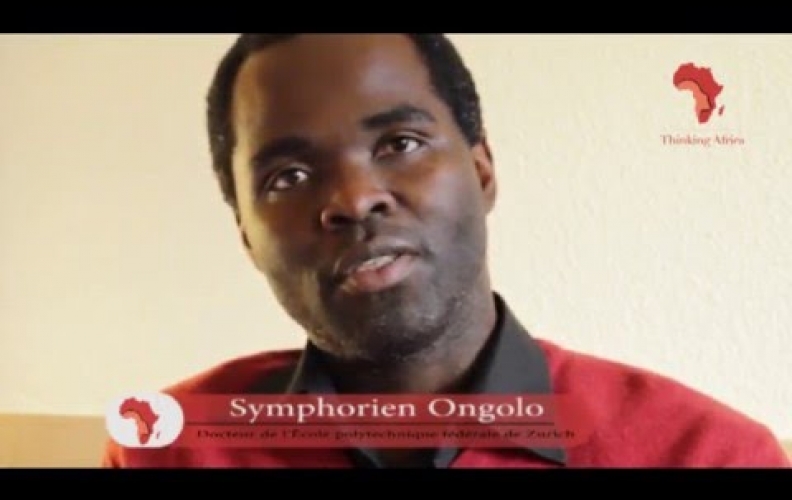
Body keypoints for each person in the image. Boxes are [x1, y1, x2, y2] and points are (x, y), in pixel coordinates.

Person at [102, 34, 790, 468]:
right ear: (248, 236)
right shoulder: (167, 446)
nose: (354, 200)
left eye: (399, 143)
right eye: (289, 176)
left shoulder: (707, 454)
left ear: (482, 171)